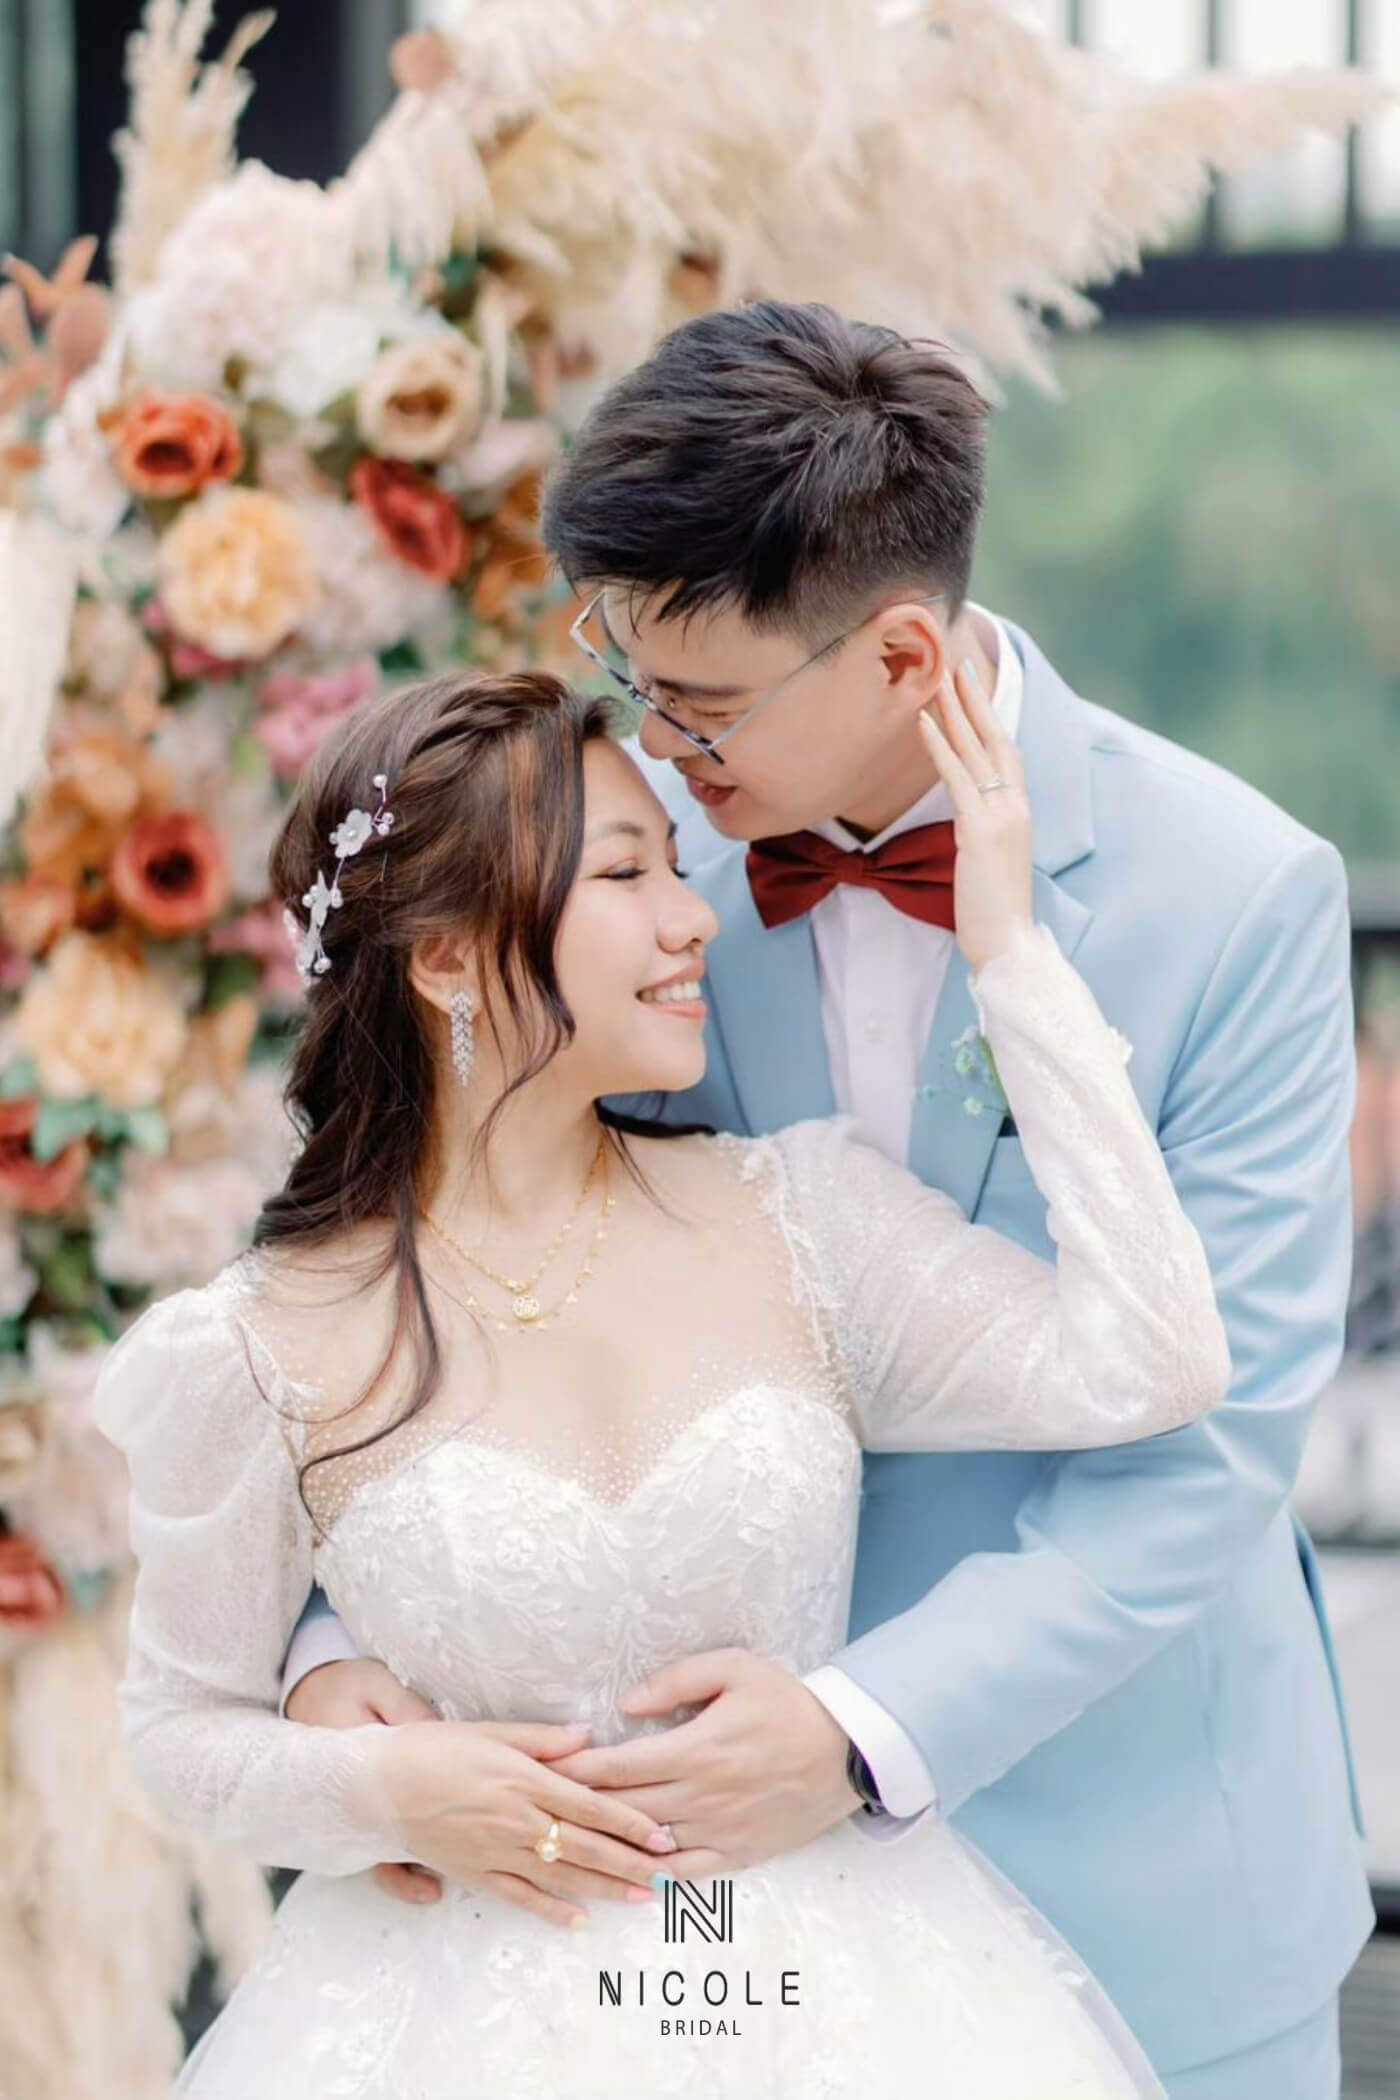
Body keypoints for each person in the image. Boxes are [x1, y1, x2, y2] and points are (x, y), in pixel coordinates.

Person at [283, 303, 1374, 2100]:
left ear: (900, 652)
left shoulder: (1239, 895)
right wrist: (335, 1655)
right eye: (631, 677)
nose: (656, 740)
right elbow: (447, 1249)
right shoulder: (625, 867)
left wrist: (861, 1730)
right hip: (703, 1909)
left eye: (702, 707)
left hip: (1146, 1855)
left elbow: (1215, 1436)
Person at [96, 662, 1229, 2097]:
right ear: (445, 958)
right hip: (448, 2019)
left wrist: (1011, 959)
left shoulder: (805, 1219)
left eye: (674, 869)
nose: (695, 916)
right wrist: (387, 1791)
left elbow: (1155, 1361)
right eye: (626, 873)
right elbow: (179, 1735)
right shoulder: (260, 1342)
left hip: (838, 1998)